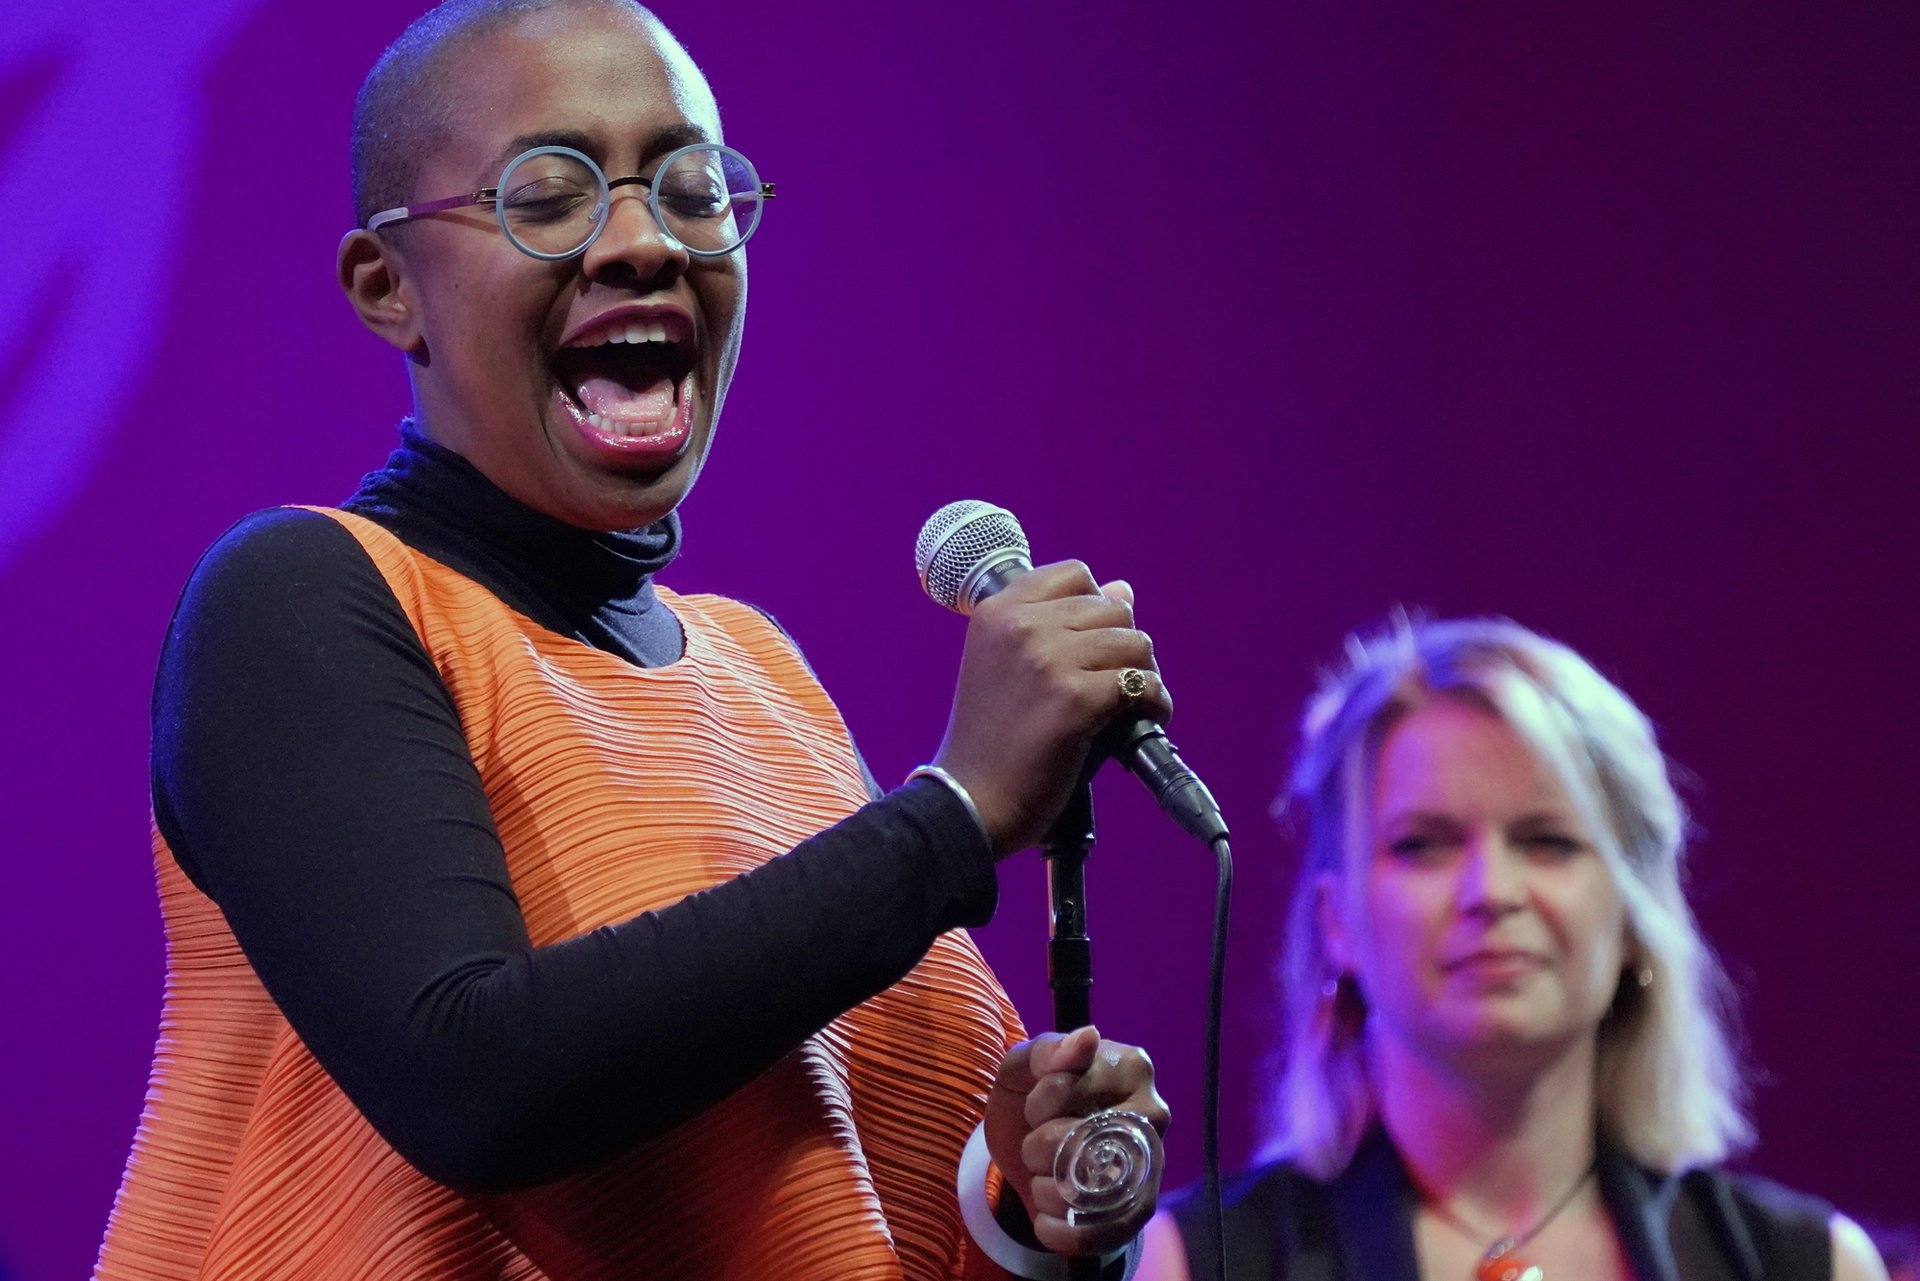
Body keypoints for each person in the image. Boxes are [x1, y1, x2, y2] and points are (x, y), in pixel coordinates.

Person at [92, 2, 1168, 1277]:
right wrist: (958, 810)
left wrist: (1019, 1206)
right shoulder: (301, 597)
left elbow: (828, 1205)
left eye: (692, 186)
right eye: (545, 197)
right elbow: (472, 1076)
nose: (643, 241)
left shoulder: (761, 677)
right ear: (389, 288)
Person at [1139, 617, 1887, 1281]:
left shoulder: (1812, 1263)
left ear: (1634, 912)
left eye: (1547, 841)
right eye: (1423, 844)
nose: (1490, 890)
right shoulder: (1199, 1260)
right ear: (1337, 921)